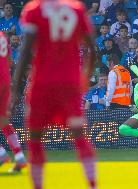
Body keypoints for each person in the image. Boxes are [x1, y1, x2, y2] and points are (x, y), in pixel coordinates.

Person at [13, 1, 97, 189]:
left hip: (42, 82)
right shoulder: (76, 9)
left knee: (35, 139)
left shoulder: (34, 9)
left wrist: (16, 86)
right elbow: (91, 47)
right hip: (70, 82)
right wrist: (85, 78)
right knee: (79, 136)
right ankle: (93, 184)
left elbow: (25, 50)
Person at [0, 31, 27, 172]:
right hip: (5, 81)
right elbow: (10, 61)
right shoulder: (2, 36)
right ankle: (20, 157)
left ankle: (2, 155)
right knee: (3, 120)